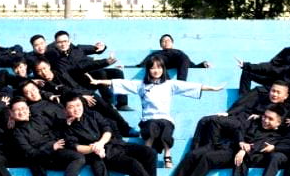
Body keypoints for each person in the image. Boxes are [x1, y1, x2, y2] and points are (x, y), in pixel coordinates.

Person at [87, 55, 225, 168]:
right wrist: (98, 81)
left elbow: (191, 86)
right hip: (148, 119)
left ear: (163, 69)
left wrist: (213, 88)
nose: (155, 70)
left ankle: (167, 155)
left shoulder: (170, 84)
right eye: (152, 68)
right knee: (151, 129)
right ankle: (145, 154)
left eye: (158, 67)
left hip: (165, 119)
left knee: (165, 128)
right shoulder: (141, 85)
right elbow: (119, 83)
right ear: (148, 70)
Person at [60, 93, 176, 176]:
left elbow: (107, 130)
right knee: (132, 164)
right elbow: (77, 147)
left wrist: (100, 143)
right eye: (71, 107)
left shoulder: (93, 115)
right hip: (104, 155)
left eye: (78, 105)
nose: (76, 109)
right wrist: (94, 149)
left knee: (149, 152)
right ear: (65, 110)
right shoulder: (65, 128)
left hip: (117, 145)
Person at [166, 105, 285, 176]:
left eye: (270, 119)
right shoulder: (255, 121)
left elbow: (260, 146)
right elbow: (240, 129)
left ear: (278, 122)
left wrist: (244, 150)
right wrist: (241, 141)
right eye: (264, 116)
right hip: (229, 146)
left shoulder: (278, 136)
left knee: (208, 158)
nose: (265, 120)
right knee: (192, 155)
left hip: (242, 156)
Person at [10, 98, 83, 176]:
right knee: (33, 159)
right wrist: (51, 147)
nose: (21, 112)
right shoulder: (17, 133)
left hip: (56, 153)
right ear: (11, 113)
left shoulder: (39, 119)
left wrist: (67, 122)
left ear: (28, 109)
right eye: (17, 110)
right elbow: (30, 152)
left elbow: (57, 126)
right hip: (40, 158)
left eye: (23, 108)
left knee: (78, 157)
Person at [190, 81, 290, 150]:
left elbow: (280, 125)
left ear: (286, 96)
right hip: (238, 118)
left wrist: (260, 117)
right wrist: (228, 113)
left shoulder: (284, 109)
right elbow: (244, 106)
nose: (274, 94)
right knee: (204, 120)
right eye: (273, 91)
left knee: (215, 121)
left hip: (244, 126)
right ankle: (195, 149)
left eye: (278, 92)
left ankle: (210, 148)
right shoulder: (263, 98)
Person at [46, 30, 130, 110]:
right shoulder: (55, 57)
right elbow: (77, 67)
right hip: (79, 80)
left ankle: (122, 104)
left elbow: (96, 49)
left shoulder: (78, 48)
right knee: (100, 72)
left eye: (65, 41)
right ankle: (108, 103)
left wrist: (102, 46)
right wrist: (104, 62)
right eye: (60, 42)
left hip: (91, 73)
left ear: (69, 41)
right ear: (55, 43)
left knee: (118, 72)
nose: (63, 44)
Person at [236, 27, 290, 95]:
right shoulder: (287, 51)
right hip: (275, 79)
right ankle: (242, 98)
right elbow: (271, 65)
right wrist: (247, 65)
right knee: (247, 72)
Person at [131, 33, 211, 81]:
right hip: (162, 62)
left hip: (176, 60)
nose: (166, 42)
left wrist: (202, 65)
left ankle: (181, 83)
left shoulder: (179, 53)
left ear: (172, 43)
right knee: (156, 59)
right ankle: (167, 82)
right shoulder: (157, 53)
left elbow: (189, 64)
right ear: (161, 45)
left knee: (183, 57)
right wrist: (126, 66)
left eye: (168, 40)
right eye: (163, 41)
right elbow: (144, 63)